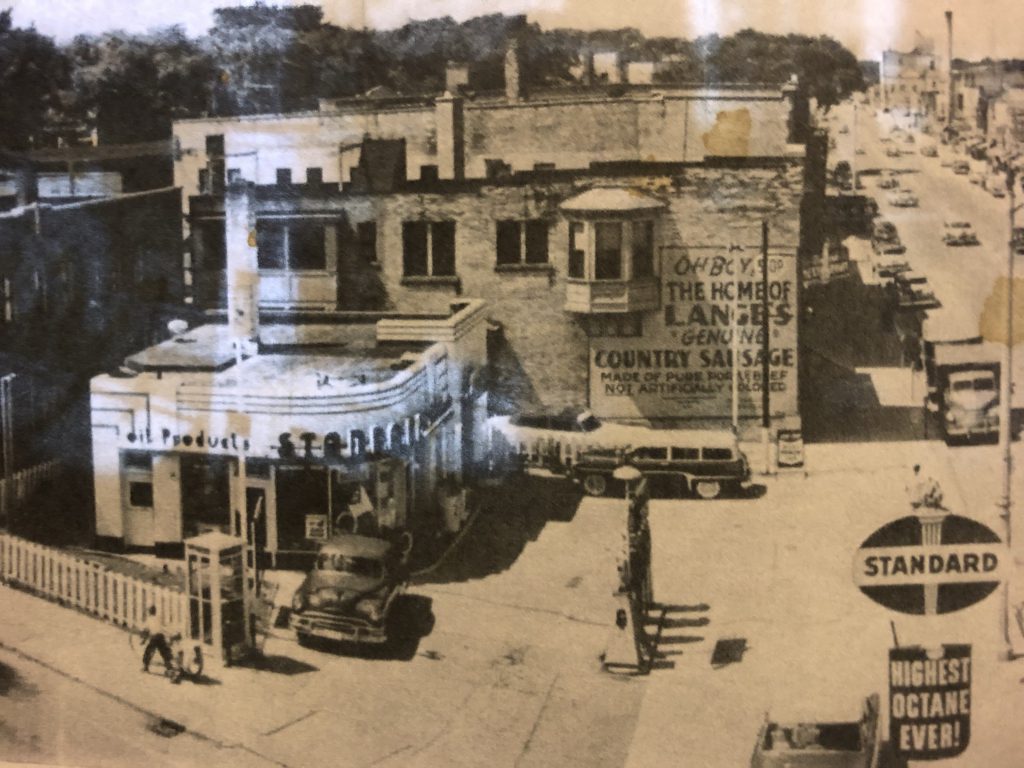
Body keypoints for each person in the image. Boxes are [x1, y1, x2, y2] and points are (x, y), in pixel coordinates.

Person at [141, 606, 173, 673]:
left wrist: (143, 640)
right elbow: (164, 626)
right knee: (164, 651)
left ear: (149, 612)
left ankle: (145, 667)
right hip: (161, 636)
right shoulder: (159, 618)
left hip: (154, 637)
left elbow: (146, 630)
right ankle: (169, 668)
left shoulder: (149, 619)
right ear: (155, 612)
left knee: (148, 651)